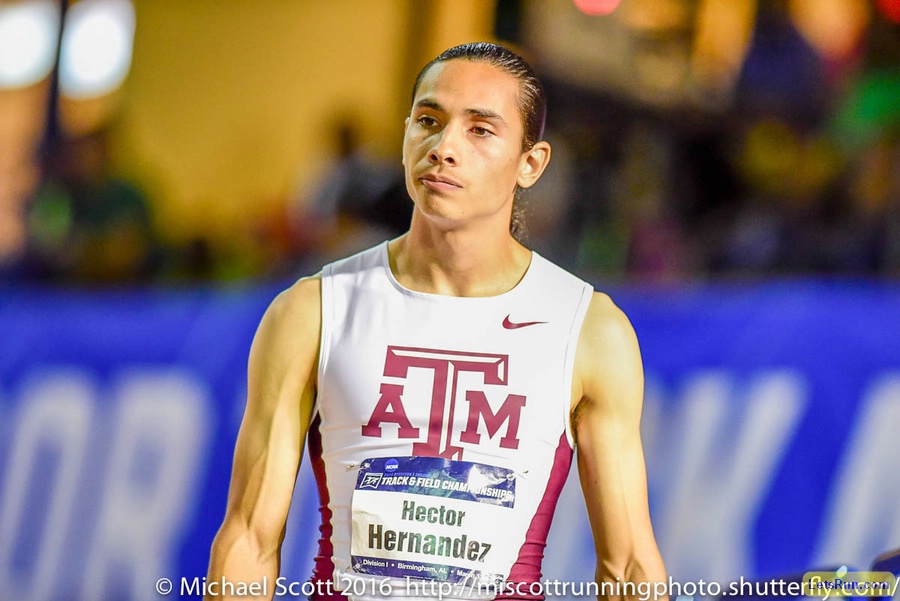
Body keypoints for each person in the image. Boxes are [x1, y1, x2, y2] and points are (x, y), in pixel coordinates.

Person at [206, 42, 666, 600]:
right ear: (403, 137)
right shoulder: (313, 310)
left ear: (531, 163)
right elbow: (250, 542)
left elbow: (629, 568)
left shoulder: (589, 330)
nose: (444, 147)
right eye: (428, 120)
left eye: (480, 130)